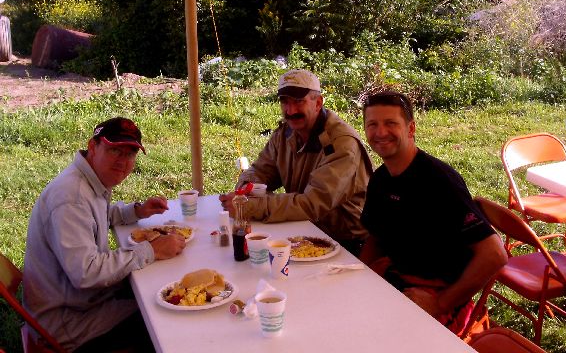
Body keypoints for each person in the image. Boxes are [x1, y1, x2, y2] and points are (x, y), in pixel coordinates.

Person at [23, 117, 186, 352]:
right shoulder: (72, 198)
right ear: (93, 146)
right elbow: (86, 273)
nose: (123, 162)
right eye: (115, 150)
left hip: (81, 303)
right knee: (165, 317)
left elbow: (96, 217)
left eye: (130, 154)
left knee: (161, 290)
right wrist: (152, 249)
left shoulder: (88, 180)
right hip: (69, 325)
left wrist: (136, 211)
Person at [359, 90, 507, 335]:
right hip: (397, 276)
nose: (380, 132)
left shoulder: (440, 181)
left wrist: (440, 303)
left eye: (390, 123)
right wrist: (358, 276)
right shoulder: (381, 179)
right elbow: (376, 237)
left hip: (437, 293)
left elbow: (494, 254)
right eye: (372, 124)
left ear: (411, 128)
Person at [219, 69, 373, 255]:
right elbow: (260, 170)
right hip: (304, 230)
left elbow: (312, 204)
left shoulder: (341, 143)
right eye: (285, 102)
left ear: (318, 103)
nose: (290, 111)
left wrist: (251, 207)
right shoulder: (284, 135)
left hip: (346, 243)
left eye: (299, 101)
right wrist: (244, 191)